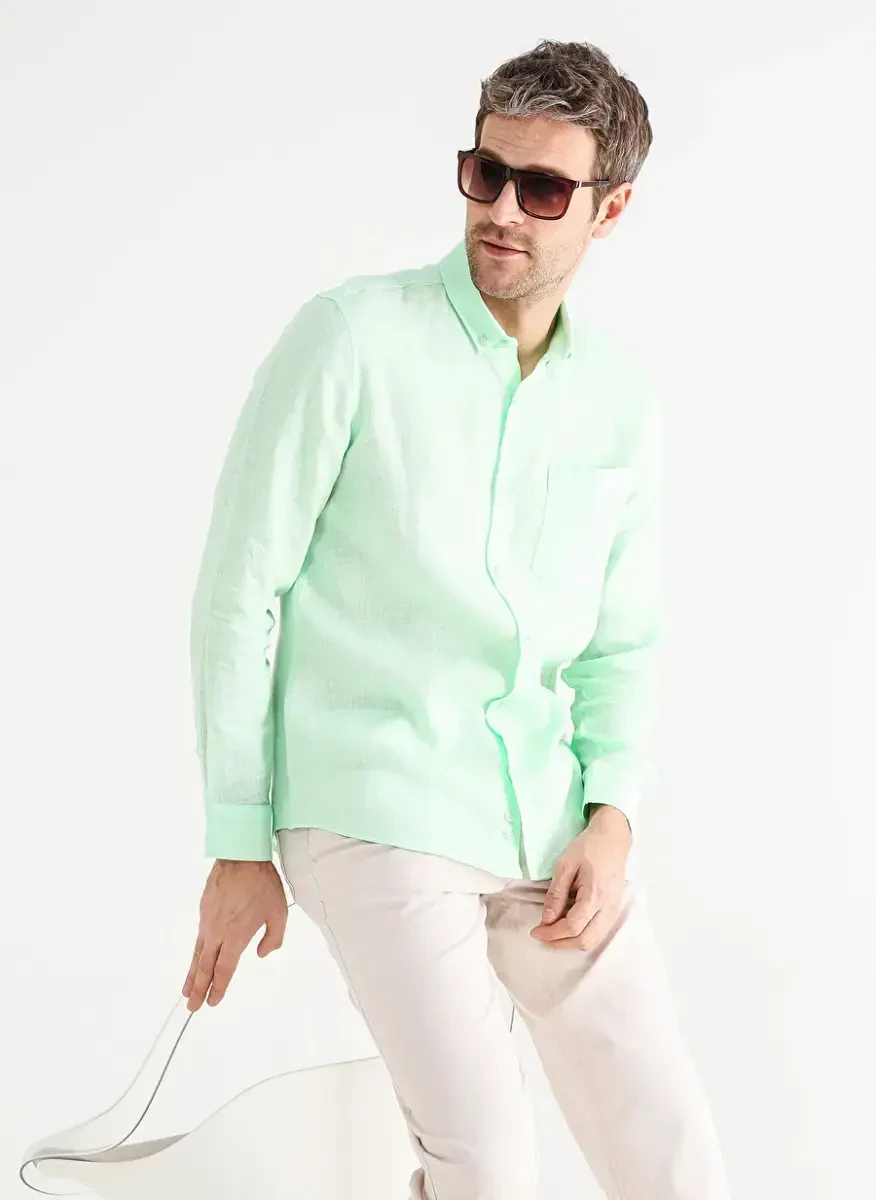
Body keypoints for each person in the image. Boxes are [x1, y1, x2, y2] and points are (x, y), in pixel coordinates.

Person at [181, 37, 732, 1200]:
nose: (502, 211)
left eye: (543, 190)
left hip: (547, 821)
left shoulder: (619, 402)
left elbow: (622, 641)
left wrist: (613, 815)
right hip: (372, 803)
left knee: (672, 1148)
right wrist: (238, 841)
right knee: (487, 1157)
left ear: (611, 208)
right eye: (486, 173)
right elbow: (240, 590)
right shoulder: (350, 339)